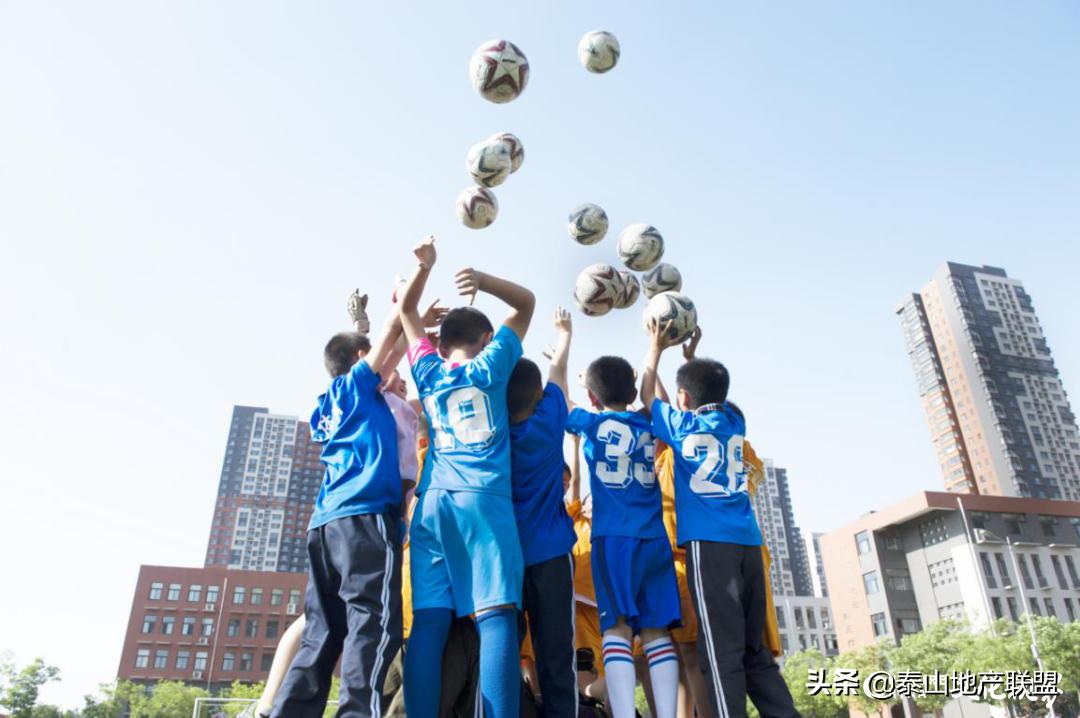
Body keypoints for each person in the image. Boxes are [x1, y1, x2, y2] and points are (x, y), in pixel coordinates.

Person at [399, 236, 536, 718]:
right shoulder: (492, 366)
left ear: (441, 343)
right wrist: (481, 281)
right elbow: (526, 303)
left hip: (432, 506)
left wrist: (424, 267)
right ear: (484, 340)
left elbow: (408, 314)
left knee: (430, 626)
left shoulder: (429, 371)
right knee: (497, 616)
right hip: (483, 500)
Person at [640, 322, 800, 718]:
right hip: (748, 546)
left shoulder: (679, 427)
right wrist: (692, 361)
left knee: (719, 653)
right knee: (754, 652)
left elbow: (647, 396)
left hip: (710, 551)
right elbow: (707, 396)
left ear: (682, 398)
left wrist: (654, 347)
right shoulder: (734, 423)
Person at [269, 309, 405, 718]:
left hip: (325, 524)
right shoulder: (358, 387)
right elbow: (388, 343)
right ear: (364, 356)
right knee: (372, 623)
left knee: (321, 631)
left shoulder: (324, 404)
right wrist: (406, 302)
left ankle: (287, 712)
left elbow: (387, 352)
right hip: (364, 518)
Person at [566, 355, 681, 718]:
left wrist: (566, 354)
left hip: (612, 540)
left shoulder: (590, 422)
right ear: (633, 390)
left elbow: (562, 401)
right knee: (657, 633)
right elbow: (658, 402)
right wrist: (654, 350)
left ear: (593, 397)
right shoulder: (649, 421)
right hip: (653, 540)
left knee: (615, 630)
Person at [506, 307, 578, 717]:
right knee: (556, 655)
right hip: (551, 556)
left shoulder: (494, 433)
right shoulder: (550, 419)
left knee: (504, 652)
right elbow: (558, 376)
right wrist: (564, 335)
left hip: (508, 558)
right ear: (537, 397)